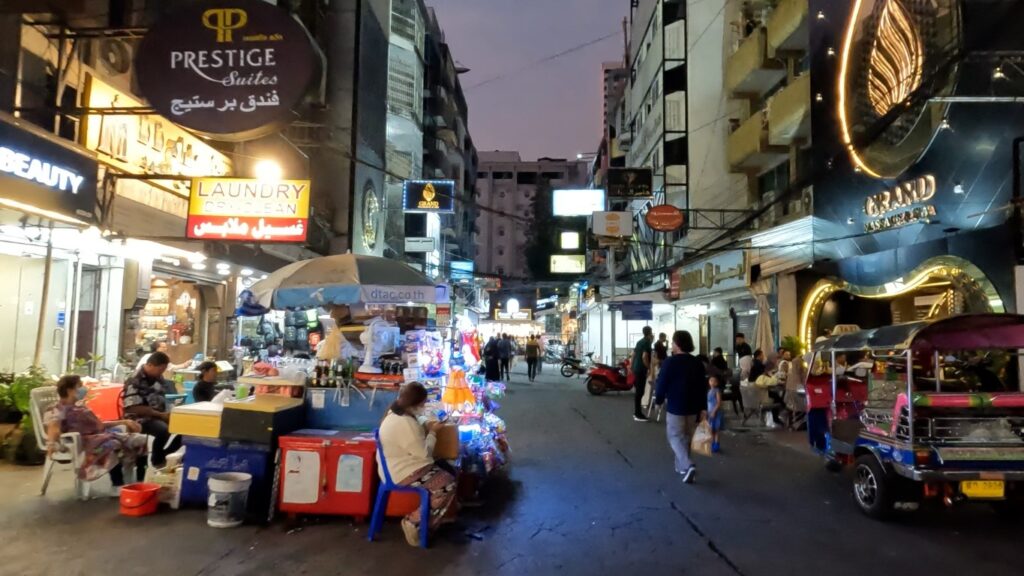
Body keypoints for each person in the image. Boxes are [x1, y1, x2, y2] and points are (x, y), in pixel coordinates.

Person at [378, 382, 457, 547]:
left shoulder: (396, 412)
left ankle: (439, 515)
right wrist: (434, 432)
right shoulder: (405, 423)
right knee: (448, 484)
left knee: (447, 468)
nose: (423, 407)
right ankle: (414, 522)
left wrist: (427, 424)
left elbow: (418, 419)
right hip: (402, 472)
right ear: (415, 404)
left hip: (399, 465)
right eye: (422, 404)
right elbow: (425, 454)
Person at [46, 375, 148, 494]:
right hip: (85, 441)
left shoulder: (79, 407)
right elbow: (53, 427)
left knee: (141, 440)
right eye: (79, 386)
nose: (83, 389)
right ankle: (117, 484)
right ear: (70, 390)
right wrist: (51, 444)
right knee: (111, 444)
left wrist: (124, 421)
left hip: (102, 435)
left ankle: (141, 481)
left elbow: (99, 425)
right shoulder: (56, 409)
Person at [654, 330, 708, 484]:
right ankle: (681, 467)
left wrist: (658, 400)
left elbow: (662, 383)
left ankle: (688, 464)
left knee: (675, 437)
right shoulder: (697, 362)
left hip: (676, 406)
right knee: (686, 437)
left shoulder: (670, 362)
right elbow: (702, 386)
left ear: (677, 344)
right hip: (693, 407)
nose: (671, 345)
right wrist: (703, 408)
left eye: (672, 342)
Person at [122, 352, 182, 469]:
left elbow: (163, 396)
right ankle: (158, 460)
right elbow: (132, 407)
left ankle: (165, 455)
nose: (161, 373)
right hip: (139, 417)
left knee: (185, 427)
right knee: (163, 430)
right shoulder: (135, 380)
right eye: (160, 369)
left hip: (159, 413)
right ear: (150, 365)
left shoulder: (157, 377)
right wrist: (160, 415)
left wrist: (170, 412)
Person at [631, 326, 655, 422]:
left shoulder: (640, 341)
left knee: (639, 391)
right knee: (640, 391)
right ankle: (638, 414)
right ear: (650, 333)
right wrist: (649, 368)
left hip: (637, 368)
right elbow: (644, 356)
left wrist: (631, 366)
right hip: (641, 369)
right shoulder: (647, 342)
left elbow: (633, 354)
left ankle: (637, 412)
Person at [707, 375, 723, 454]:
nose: (712, 382)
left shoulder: (717, 391)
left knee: (716, 429)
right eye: (710, 380)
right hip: (710, 412)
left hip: (715, 412)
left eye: (714, 381)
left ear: (717, 383)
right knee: (711, 429)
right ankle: (712, 443)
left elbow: (719, 403)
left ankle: (716, 444)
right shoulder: (709, 391)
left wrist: (714, 411)